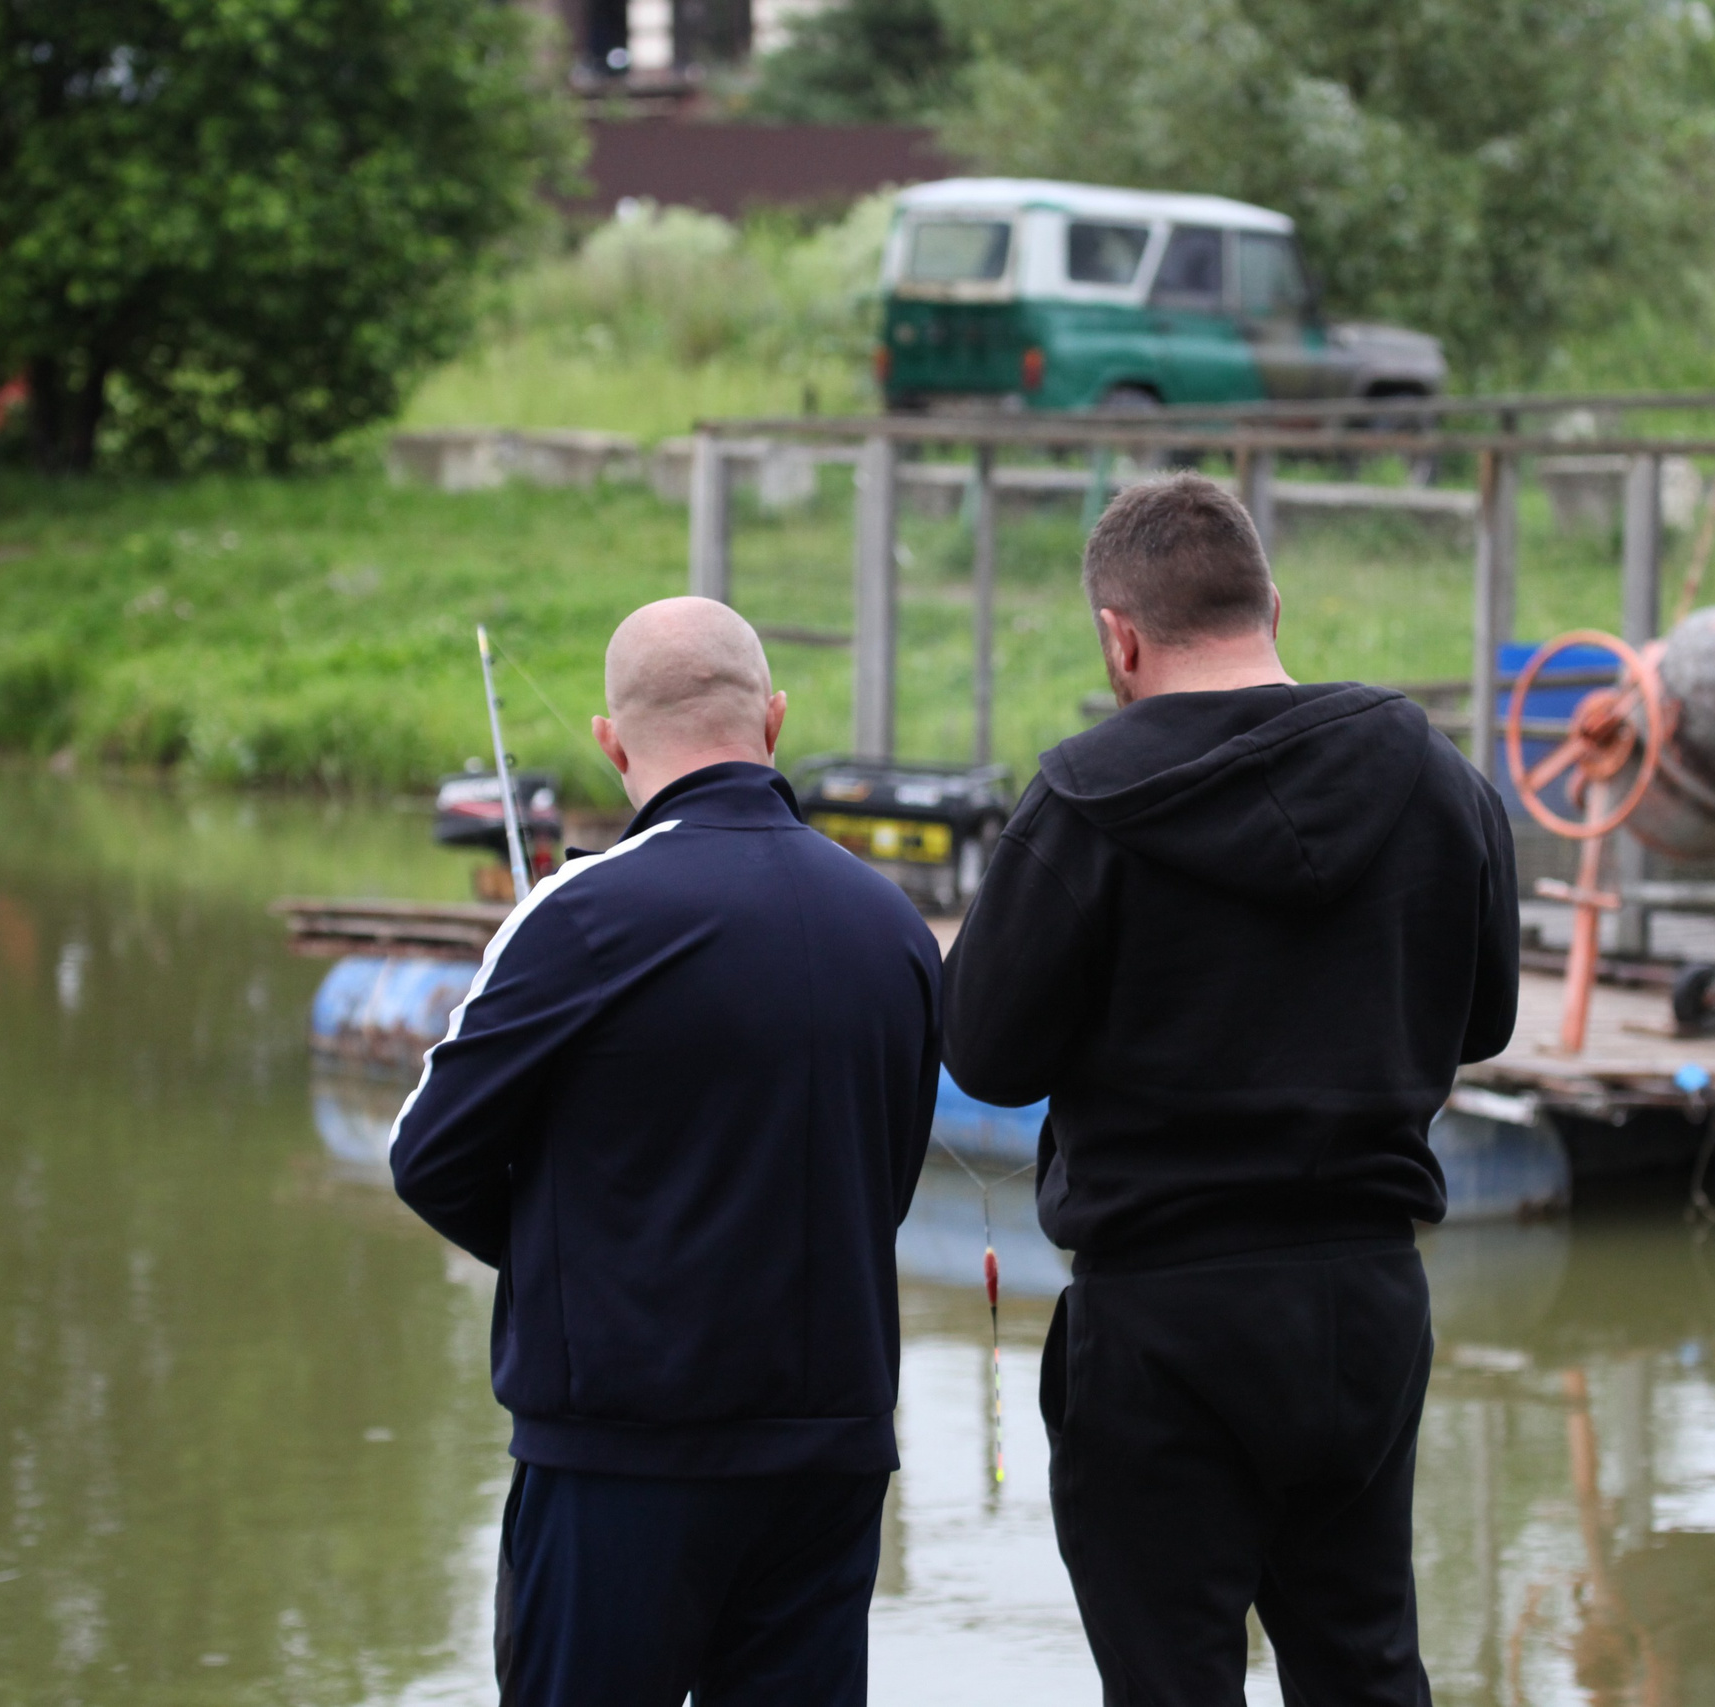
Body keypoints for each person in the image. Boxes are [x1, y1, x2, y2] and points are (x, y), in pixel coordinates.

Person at [942, 474, 1519, 1706]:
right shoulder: (1436, 780)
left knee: (1170, 1680)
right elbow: (1485, 1023)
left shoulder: (1085, 803)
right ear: (1272, 606)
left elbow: (985, 1055)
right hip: (1365, 1304)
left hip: (1161, 1315)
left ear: (1120, 637)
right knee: (1366, 1666)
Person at [389, 596, 942, 1707]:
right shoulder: (891, 926)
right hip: (830, 1457)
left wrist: (588, 1265)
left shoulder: (580, 915)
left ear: (612, 742)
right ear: (772, 719)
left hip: (620, 1458)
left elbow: (428, 1153)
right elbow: (884, 1179)